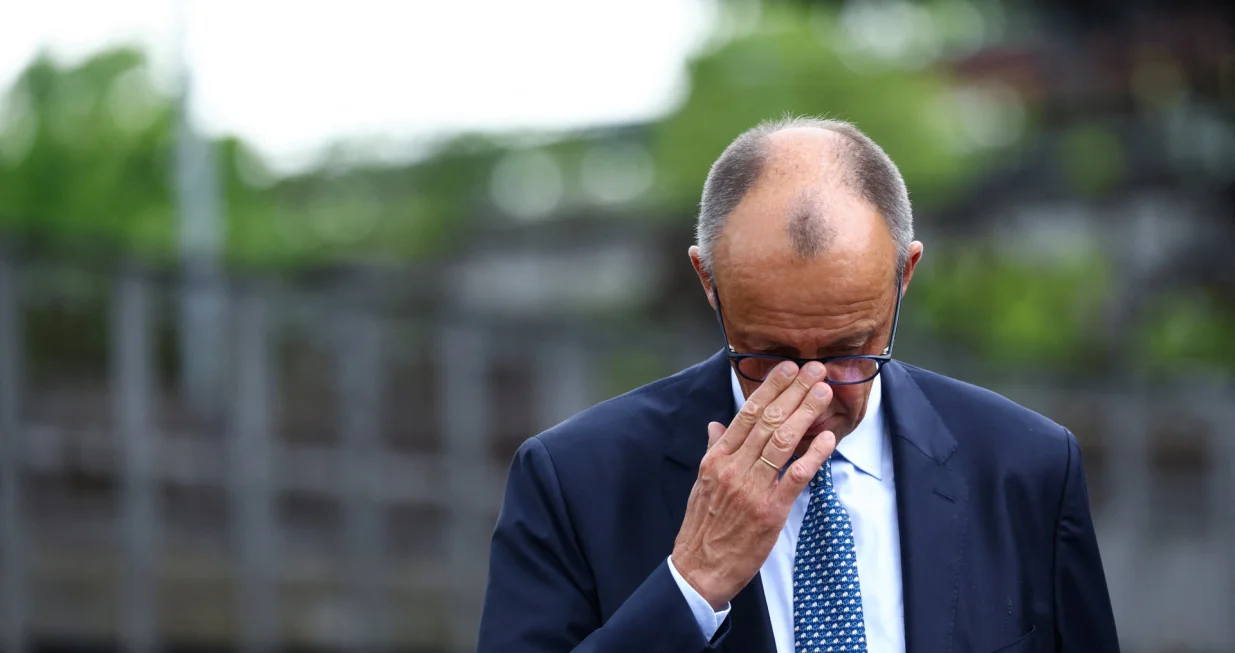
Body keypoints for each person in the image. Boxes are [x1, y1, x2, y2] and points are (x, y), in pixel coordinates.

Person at [476, 116, 1120, 653]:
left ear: (905, 276)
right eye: (768, 353)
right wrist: (691, 585)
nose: (812, 388)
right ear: (708, 282)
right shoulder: (573, 480)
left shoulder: (1026, 465)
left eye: (849, 351)